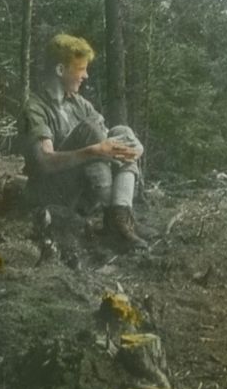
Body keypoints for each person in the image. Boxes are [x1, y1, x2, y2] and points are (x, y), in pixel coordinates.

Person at [20, 34, 146, 248]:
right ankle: (114, 218)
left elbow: (109, 139)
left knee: (122, 131)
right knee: (91, 129)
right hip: (50, 193)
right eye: (81, 69)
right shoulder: (35, 107)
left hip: (81, 190)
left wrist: (134, 147)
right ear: (61, 70)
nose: (86, 75)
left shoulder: (80, 104)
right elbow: (44, 162)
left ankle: (120, 216)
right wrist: (95, 151)